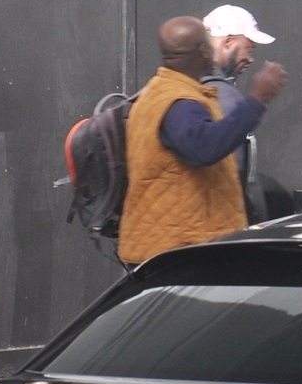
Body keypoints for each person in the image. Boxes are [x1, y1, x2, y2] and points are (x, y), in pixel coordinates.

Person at [118, 15, 287, 265]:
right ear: (203, 52)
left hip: (171, 248)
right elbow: (205, 147)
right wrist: (257, 99)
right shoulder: (178, 102)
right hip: (178, 253)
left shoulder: (159, 93)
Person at [202, 3, 276, 221]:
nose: (251, 58)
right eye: (249, 48)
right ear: (228, 41)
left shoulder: (176, 86)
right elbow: (235, 177)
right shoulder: (224, 96)